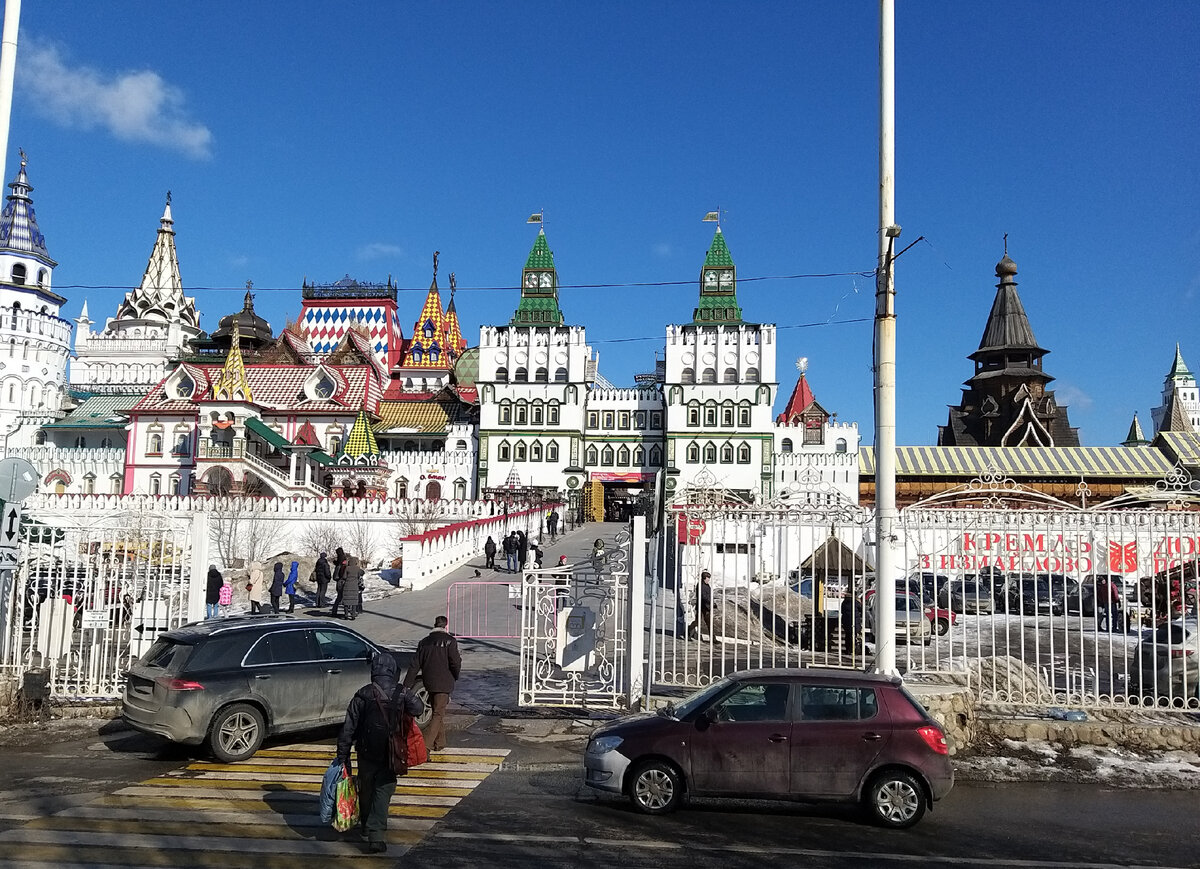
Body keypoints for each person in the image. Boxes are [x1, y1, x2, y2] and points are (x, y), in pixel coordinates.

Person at [336, 653, 424, 854]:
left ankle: (366, 825)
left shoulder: (362, 694)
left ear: (373, 671)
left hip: (366, 752)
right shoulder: (402, 692)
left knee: (366, 787)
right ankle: (376, 836)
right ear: (393, 671)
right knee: (383, 790)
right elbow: (418, 709)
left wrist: (343, 756)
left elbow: (348, 728)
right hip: (392, 752)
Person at [404, 615, 461, 754]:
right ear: (445, 626)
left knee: (437, 710)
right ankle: (425, 746)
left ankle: (440, 742)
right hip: (444, 682)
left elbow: (414, 665)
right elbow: (455, 662)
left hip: (428, 682)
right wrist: (455, 675)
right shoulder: (450, 641)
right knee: (438, 713)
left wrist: (407, 684)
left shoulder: (424, 642)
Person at [335, 556, 362, 620]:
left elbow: (344, 576)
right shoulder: (357, 568)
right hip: (354, 586)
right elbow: (360, 575)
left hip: (347, 585)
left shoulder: (347, 568)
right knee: (354, 601)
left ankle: (346, 614)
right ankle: (353, 615)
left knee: (346, 601)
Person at [688, 570, 713, 640]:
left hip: (707, 607)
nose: (709, 580)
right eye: (708, 578)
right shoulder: (700, 585)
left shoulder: (707, 585)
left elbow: (708, 595)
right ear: (704, 578)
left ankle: (713, 639)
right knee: (697, 622)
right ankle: (688, 632)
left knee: (709, 623)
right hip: (701, 606)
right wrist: (710, 602)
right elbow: (703, 596)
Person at [841, 591, 864, 656]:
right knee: (855, 636)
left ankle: (848, 649)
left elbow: (842, 611)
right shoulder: (855, 602)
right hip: (855, 621)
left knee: (847, 636)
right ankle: (854, 649)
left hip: (846, 621)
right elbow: (861, 609)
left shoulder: (844, 603)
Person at [330, 547, 348, 617]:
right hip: (342, 581)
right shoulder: (343, 561)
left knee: (339, 597)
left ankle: (334, 610)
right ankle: (346, 611)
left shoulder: (339, 562)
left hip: (338, 580)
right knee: (344, 596)